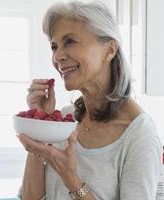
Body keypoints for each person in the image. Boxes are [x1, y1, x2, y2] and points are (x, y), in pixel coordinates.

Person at [17, 1, 163, 200]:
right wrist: (39, 125)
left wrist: (72, 179)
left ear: (109, 50)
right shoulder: (64, 120)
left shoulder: (139, 135)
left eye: (70, 41)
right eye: (54, 46)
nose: (58, 55)